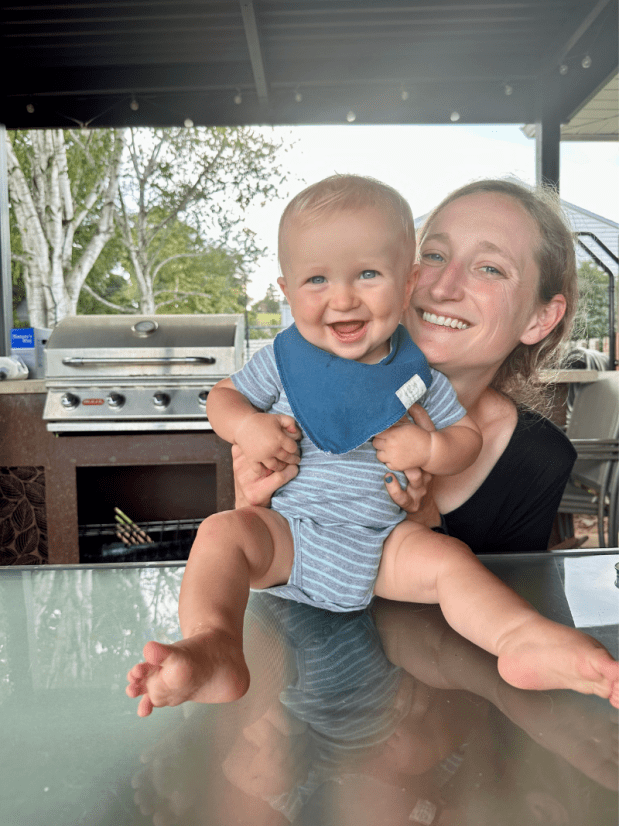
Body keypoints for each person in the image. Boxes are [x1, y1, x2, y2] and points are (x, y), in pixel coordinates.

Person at [126, 176, 619, 717]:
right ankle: (214, 644)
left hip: (386, 558)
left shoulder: (468, 413)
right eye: (436, 255)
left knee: (451, 563)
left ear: (401, 281)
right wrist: (248, 439)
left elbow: (463, 444)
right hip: (294, 549)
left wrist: (428, 458)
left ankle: (520, 638)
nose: (442, 286)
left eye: (490, 268)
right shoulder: (290, 363)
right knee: (222, 532)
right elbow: (225, 402)